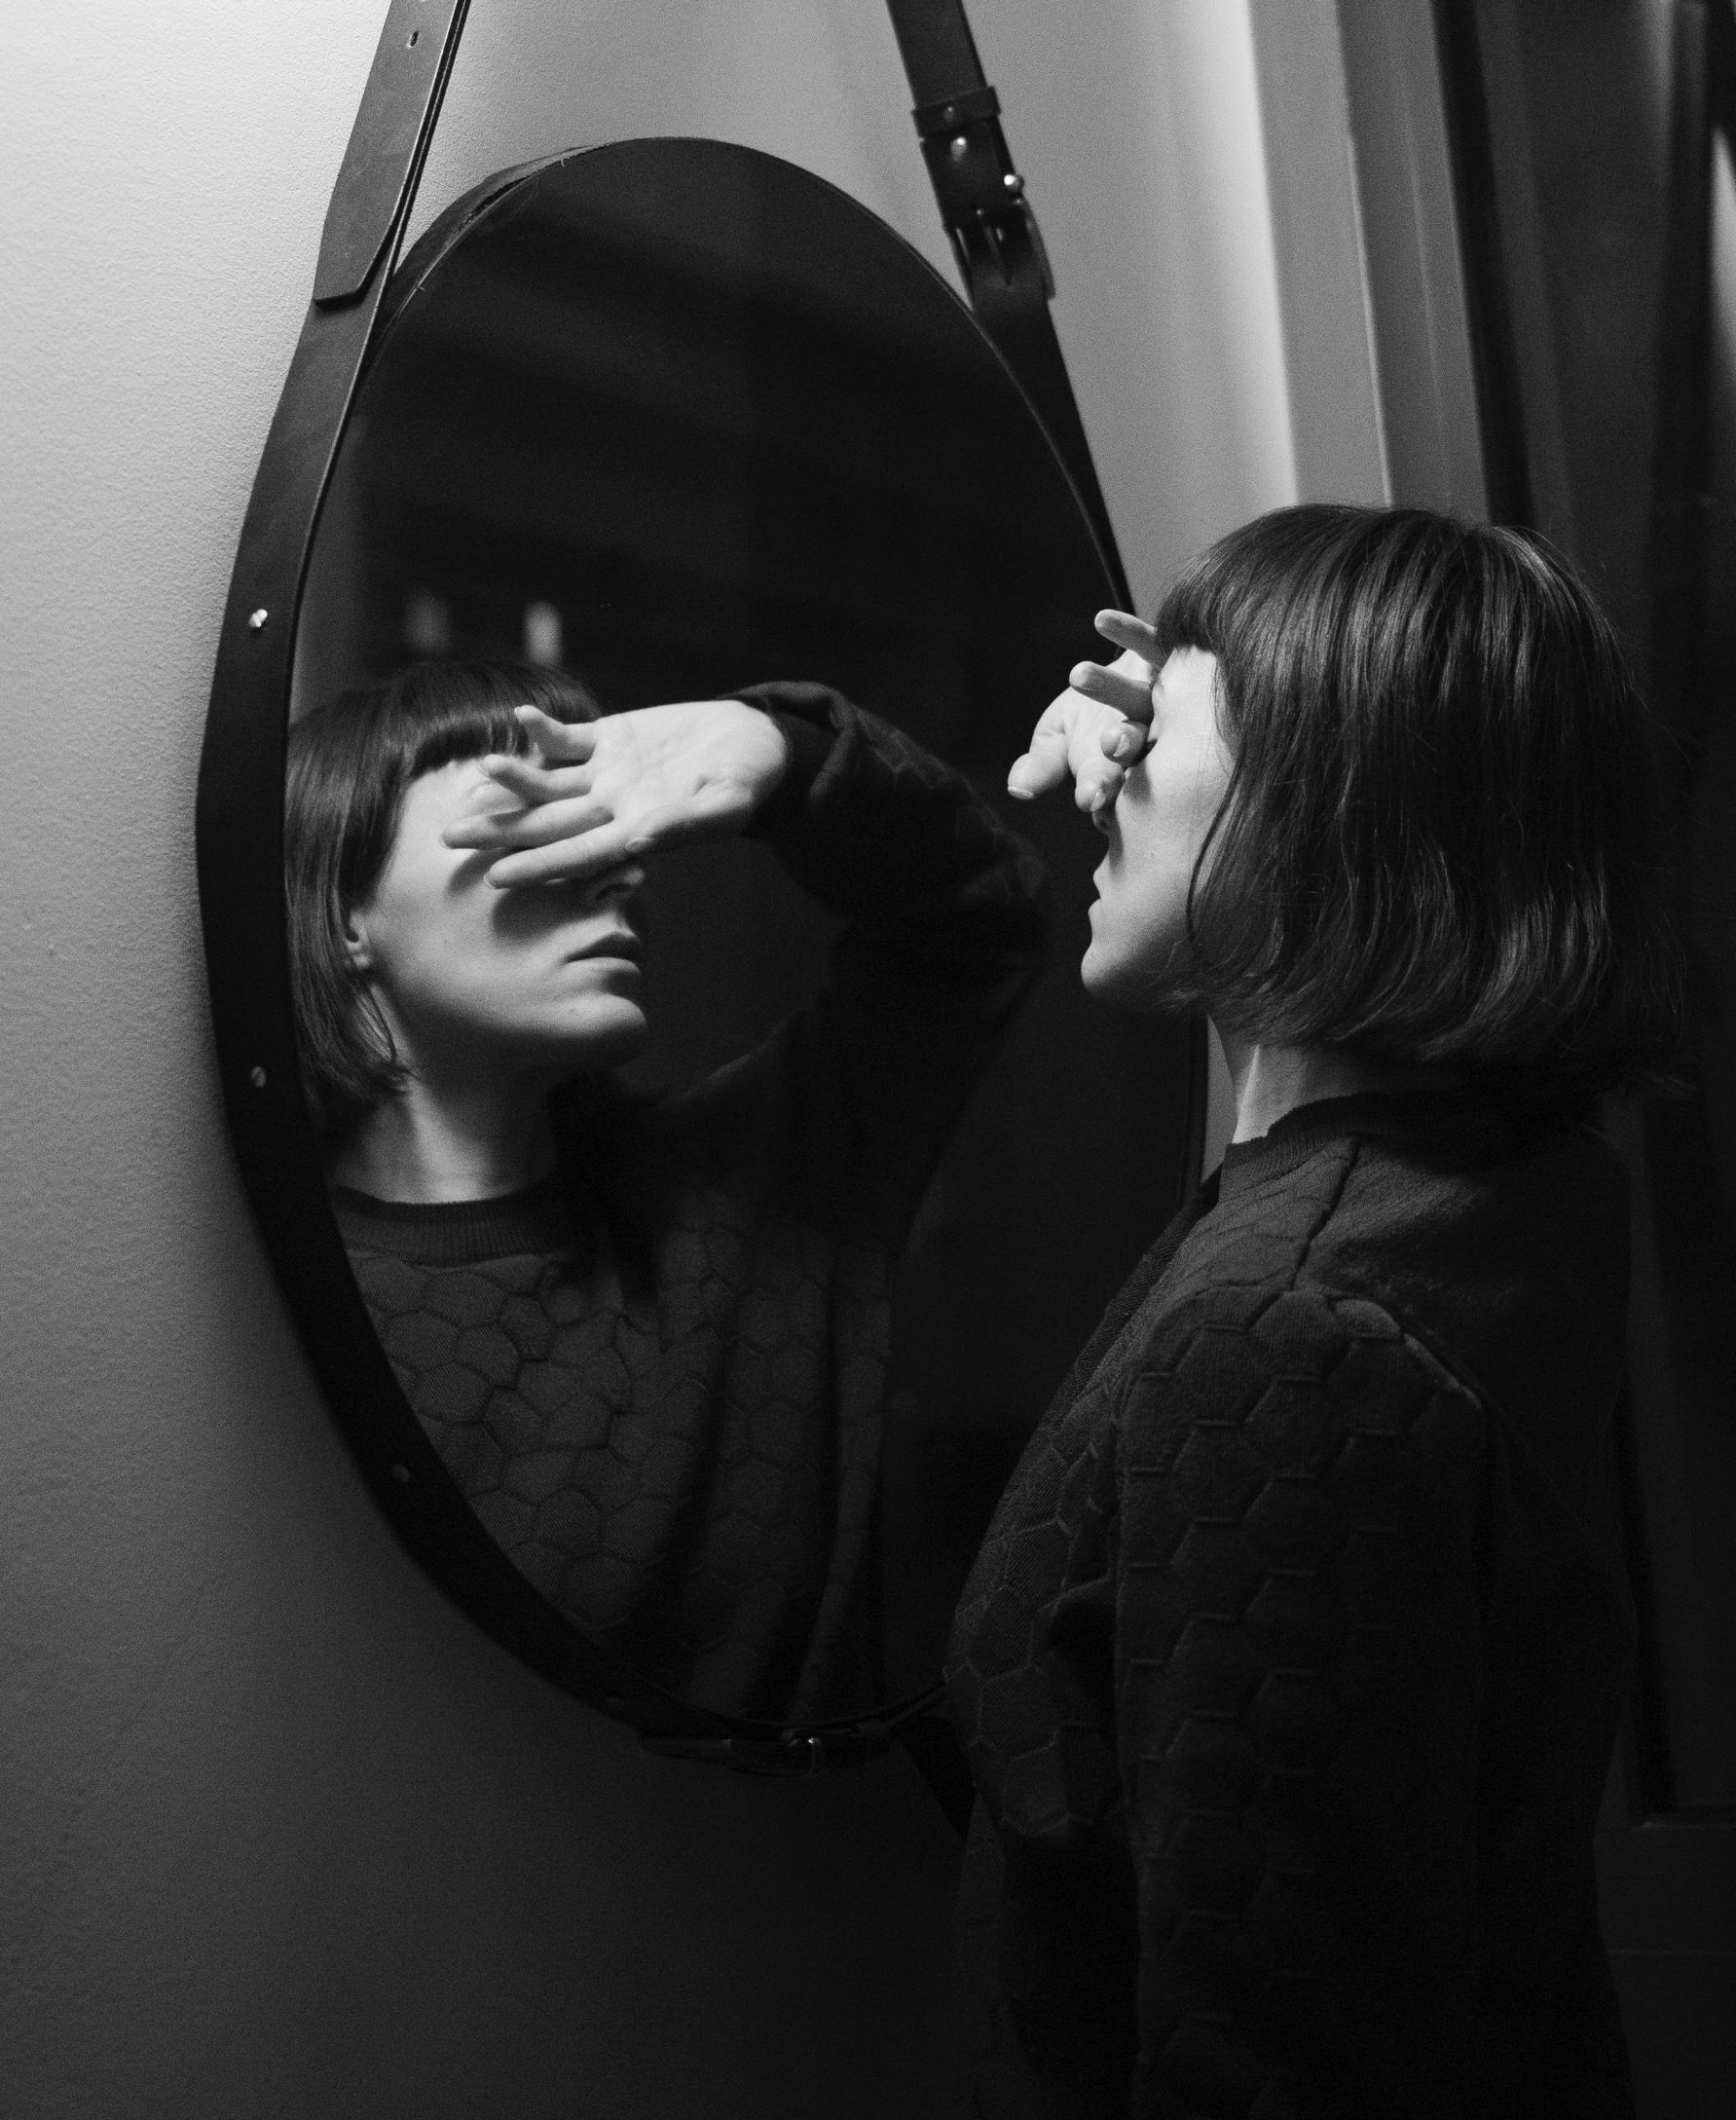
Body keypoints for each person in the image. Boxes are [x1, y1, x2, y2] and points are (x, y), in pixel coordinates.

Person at [945, 505, 1678, 2118]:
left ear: (1322, 800)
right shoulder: (1491, 1203)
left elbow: (1271, 2052)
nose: (1105, 766)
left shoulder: (1287, 1335)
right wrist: (1217, 696)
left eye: (1160, 730)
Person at [286, 664, 1046, 1722]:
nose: (614, 870)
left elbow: (976, 920)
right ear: (346, 912)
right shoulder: (259, 1303)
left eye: (608, 822)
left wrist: (781, 754)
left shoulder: (747, 1202)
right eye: (532, 816)